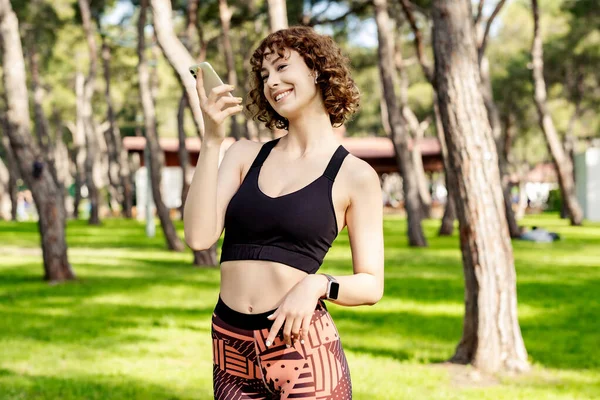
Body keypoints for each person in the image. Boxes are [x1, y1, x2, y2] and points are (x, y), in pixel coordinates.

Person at [184, 26, 384, 400]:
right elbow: (198, 237)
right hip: (231, 347)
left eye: (281, 67)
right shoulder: (244, 155)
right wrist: (212, 139)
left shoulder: (355, 176)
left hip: (302, 350)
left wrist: (318, 284)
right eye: (264, 76)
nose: (271, 82)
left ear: (316, 70)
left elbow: (372, 285)